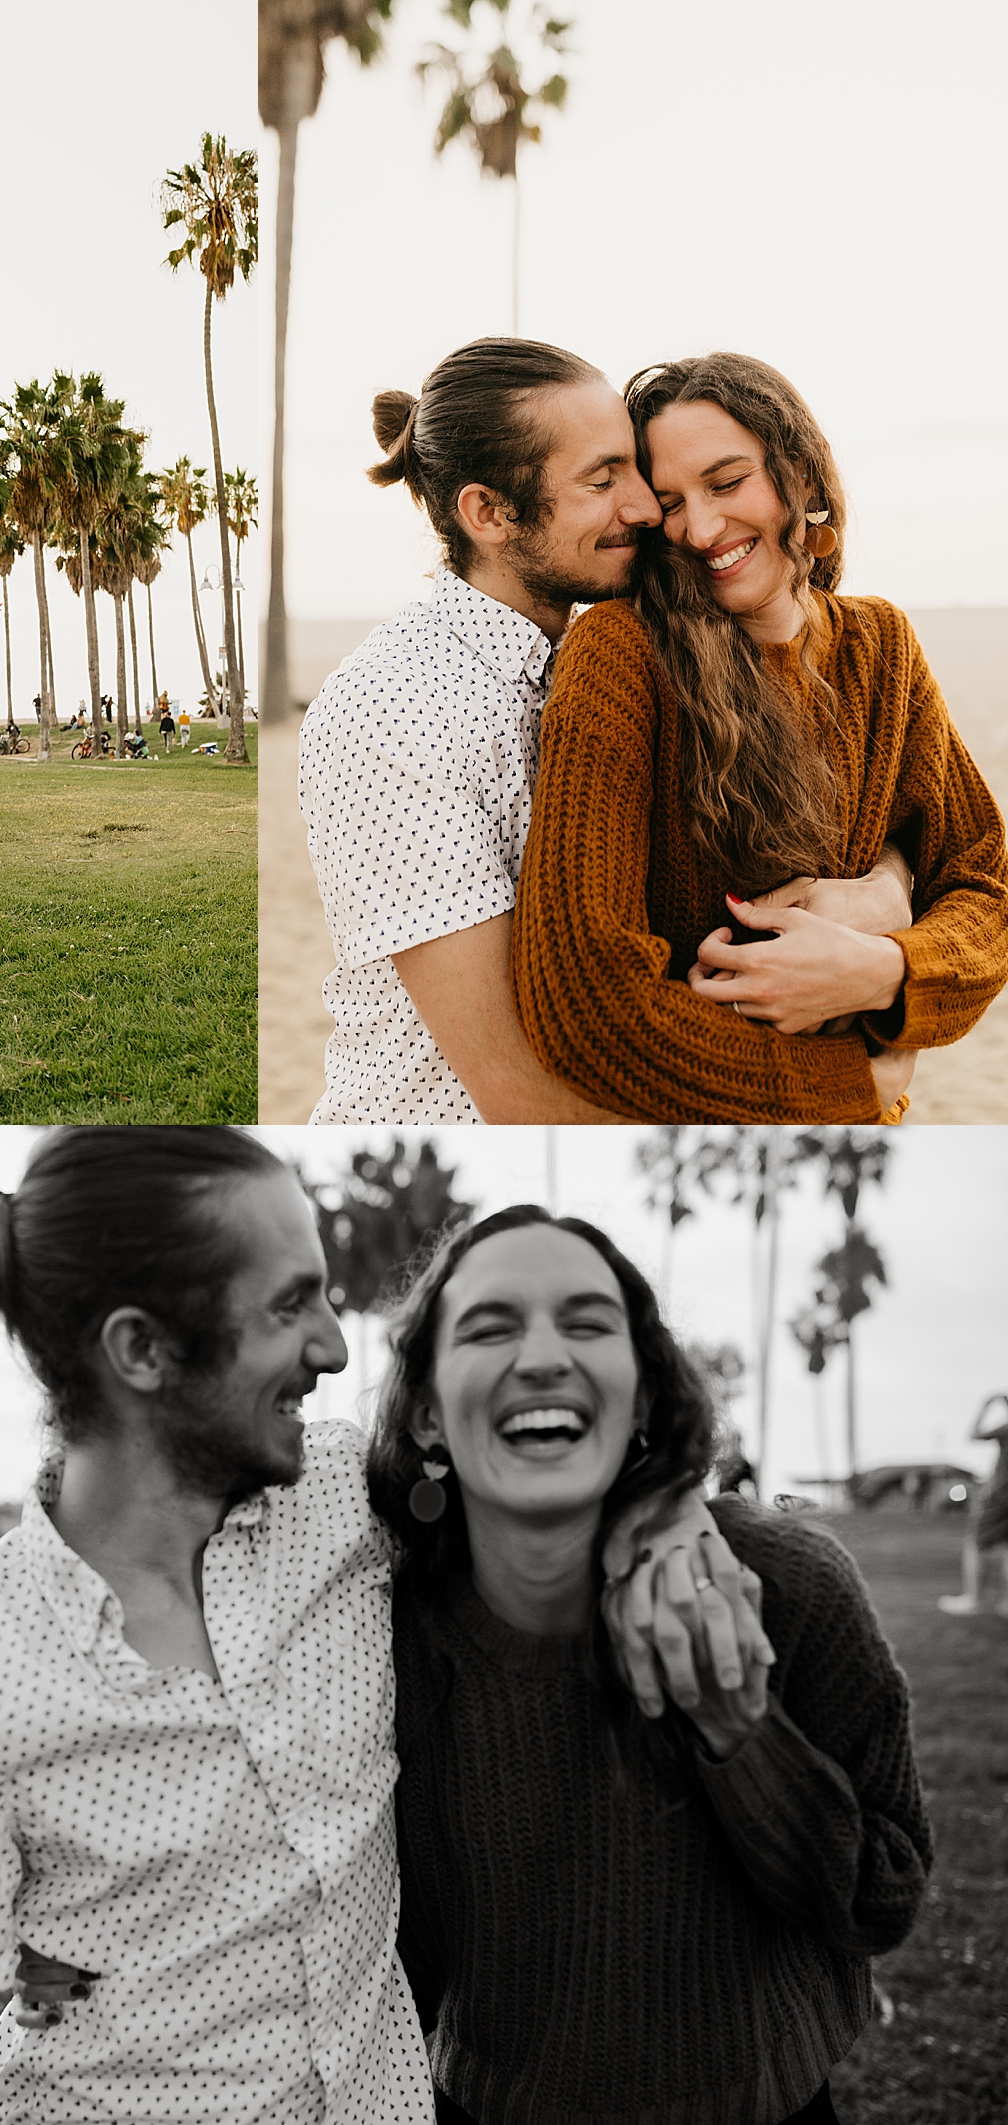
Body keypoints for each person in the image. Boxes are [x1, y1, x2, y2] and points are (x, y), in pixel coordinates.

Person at [0, 1129, 756, 2125]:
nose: (332, 1346)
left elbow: (548, 1462)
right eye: (291, 1305)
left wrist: (665, 1507)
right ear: (143, 1350)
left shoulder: (349, 1503)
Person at [370, 1203, 932, 2124]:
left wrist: (739, 1728)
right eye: (490, 1325)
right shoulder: (380, 1638)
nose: (545, 1355)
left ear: (640, 1396)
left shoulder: (788, 1584)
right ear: (427, 1411)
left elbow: (882, 1900)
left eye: (588, 1323)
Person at [299, 340, 920, 1125]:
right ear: (489, 514)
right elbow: (518, 1092)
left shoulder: (624, 656)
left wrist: (885, 888)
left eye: (635, 469)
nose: (645, 507)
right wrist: (844, 1091)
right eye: (603, 480)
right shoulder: (396, 708)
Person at [510, 351, 1008, 1122]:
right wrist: (845, 1086)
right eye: (670, 499)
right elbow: (583, 1003)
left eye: (727, 481)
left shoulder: (881, 646)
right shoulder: (622, 653)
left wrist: (884, 969)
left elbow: (985, 886)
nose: (701, 528)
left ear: (800, 476)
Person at [937, 1392, 1008, 1616]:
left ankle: (973, 1599)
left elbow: (974, 1434)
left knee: (975, 1543)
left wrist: (985, 1407)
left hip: (1001, 1494)